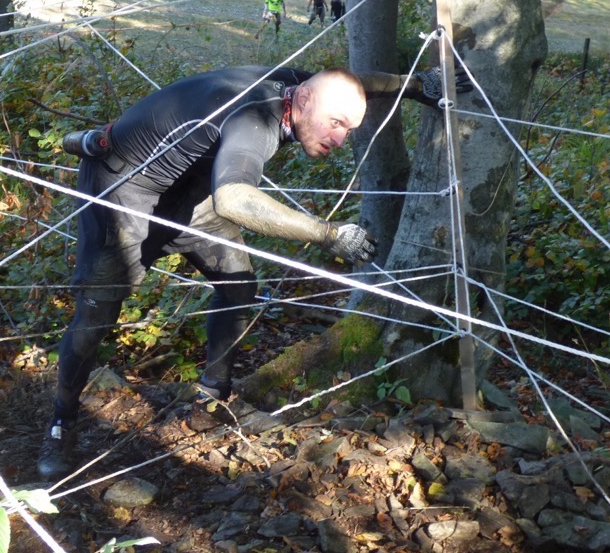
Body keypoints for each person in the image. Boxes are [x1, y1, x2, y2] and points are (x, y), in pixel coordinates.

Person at [39, 64, 464, 480]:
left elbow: (355, 83)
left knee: (239, 287)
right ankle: (61, 422)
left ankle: (212, 398)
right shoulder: (254, 121)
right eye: (335, 123)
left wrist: (416, 84)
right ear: (304, 100)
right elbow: (234, 200)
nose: (339, 138)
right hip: (125, 191)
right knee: (97, 313)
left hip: (191, 192)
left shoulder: (299, 87)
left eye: (349, 129)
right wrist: (327, 234)